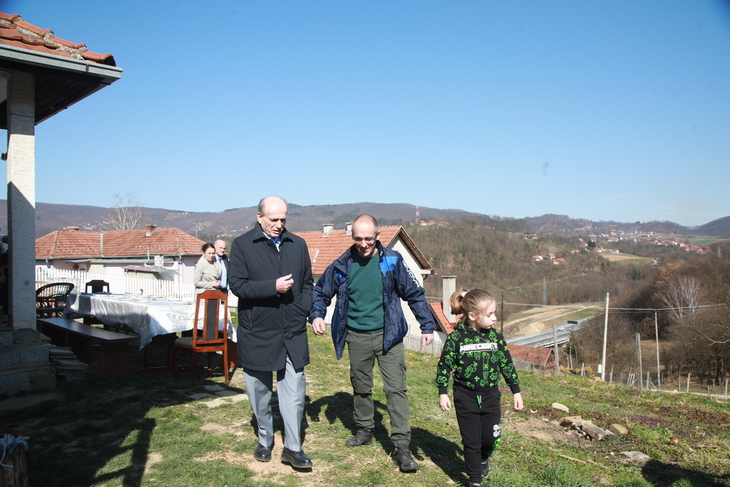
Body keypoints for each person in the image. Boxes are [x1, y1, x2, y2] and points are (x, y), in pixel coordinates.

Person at [310, 214, 436, 473]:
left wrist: (427, 325)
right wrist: (317, 315)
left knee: (396, 389)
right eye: (358, 238)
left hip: (389, 335)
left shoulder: (392, 260)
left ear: (378, 236)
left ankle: (402, 446)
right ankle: (365, 429)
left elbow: (414, 293)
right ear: (352, 237)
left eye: (368, 238)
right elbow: (320, 292)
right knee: (361, 387)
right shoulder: (342, 265)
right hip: (356, 336)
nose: (364, 244)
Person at [228, 196, 314, 470]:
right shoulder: (242, 245)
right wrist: (272, 287)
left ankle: (293, 448)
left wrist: (303, 309)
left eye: (283, 219)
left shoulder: (297, 244)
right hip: (258, 330)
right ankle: (265, 439)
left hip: (292, 330)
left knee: (295, 391)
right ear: (259, 217)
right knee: (259, 391)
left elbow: (308, 283)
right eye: (273, 219)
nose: (279, 224)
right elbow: (237, 285)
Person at [436, 288, 524, 487]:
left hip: (490, 397)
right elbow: (444, 366)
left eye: (494, 313)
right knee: (471, 441)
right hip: (465, 397)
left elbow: (506, 365)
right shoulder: (456, 338)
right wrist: (443, 392)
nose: (495, 318)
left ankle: (483, 458)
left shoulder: (495, 337)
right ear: (473, 316)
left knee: (491, 439)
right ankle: (475, 480)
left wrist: (516, 391)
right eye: (490, 314)